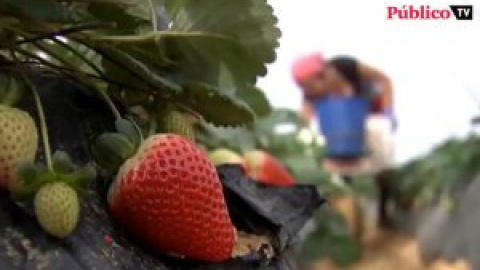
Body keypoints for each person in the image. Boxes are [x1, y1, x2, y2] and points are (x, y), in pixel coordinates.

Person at [291, 52, 397, 228]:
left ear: (324, 75)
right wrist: (302, 138)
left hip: (372, 117)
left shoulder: (347, 67)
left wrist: (388, 111)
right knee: (341, 169)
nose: (307, 92)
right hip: (343, 134)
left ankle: (384, 210)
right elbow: (305, 118)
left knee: (383, 168)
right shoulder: (310, 94)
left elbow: (384, 80)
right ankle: (348, 218)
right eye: (303, 88)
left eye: (309, 86)